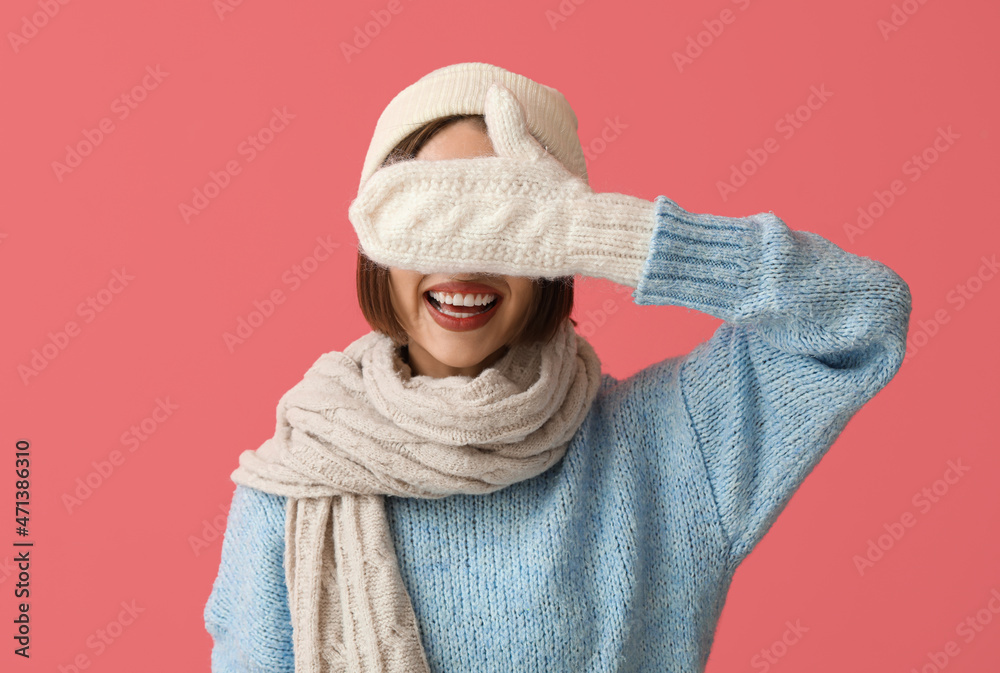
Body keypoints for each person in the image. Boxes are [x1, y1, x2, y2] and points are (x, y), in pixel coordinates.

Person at [203, 62, 912, 673]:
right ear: (376, 246)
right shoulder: (298, 480)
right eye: (430, 218)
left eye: (506, 220)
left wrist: (609, 234)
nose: (464, 260)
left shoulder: (669, 446)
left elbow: (865, 313)